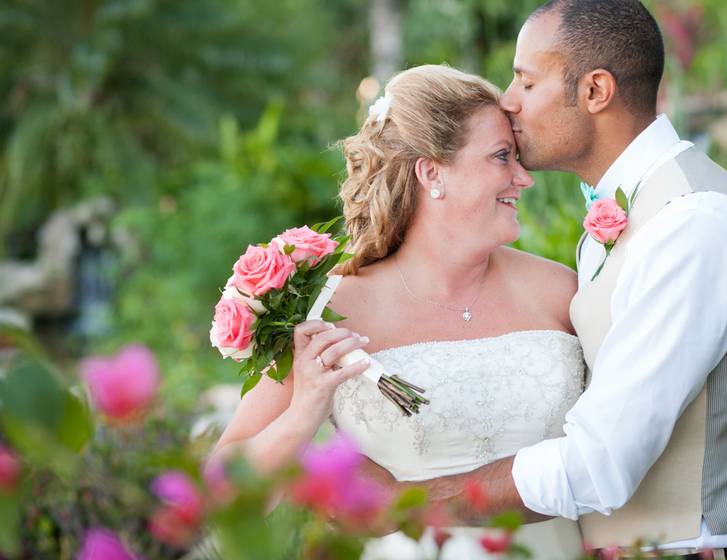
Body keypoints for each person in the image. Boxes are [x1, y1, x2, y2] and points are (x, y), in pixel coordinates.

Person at [386, 0, 727, 559]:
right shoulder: (635, 207)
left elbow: (600, 461)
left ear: (595, 91)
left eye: (527, 82)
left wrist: (407, 503)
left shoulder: (693, 224)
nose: (509, 102)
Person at [208, 64, 587, 559]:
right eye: (501, 157)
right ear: (431, 172)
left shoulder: (560, 291)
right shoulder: (332, 311)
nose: (523, 179)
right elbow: (221, 490)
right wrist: (305, 413)